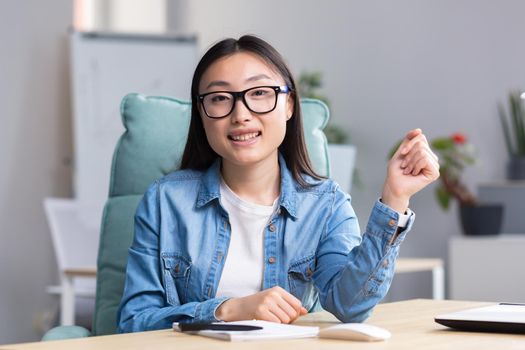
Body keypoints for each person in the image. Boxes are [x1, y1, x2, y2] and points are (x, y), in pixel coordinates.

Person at [117, 35, 440, 333]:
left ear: (288, 105)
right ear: (202, 113)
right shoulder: (166, 200)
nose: (240, 114)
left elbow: (350, 306)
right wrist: (228, 310)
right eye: (219, 98)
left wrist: (395, 198)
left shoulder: (326, 204)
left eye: (259, 93)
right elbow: (133, 322)